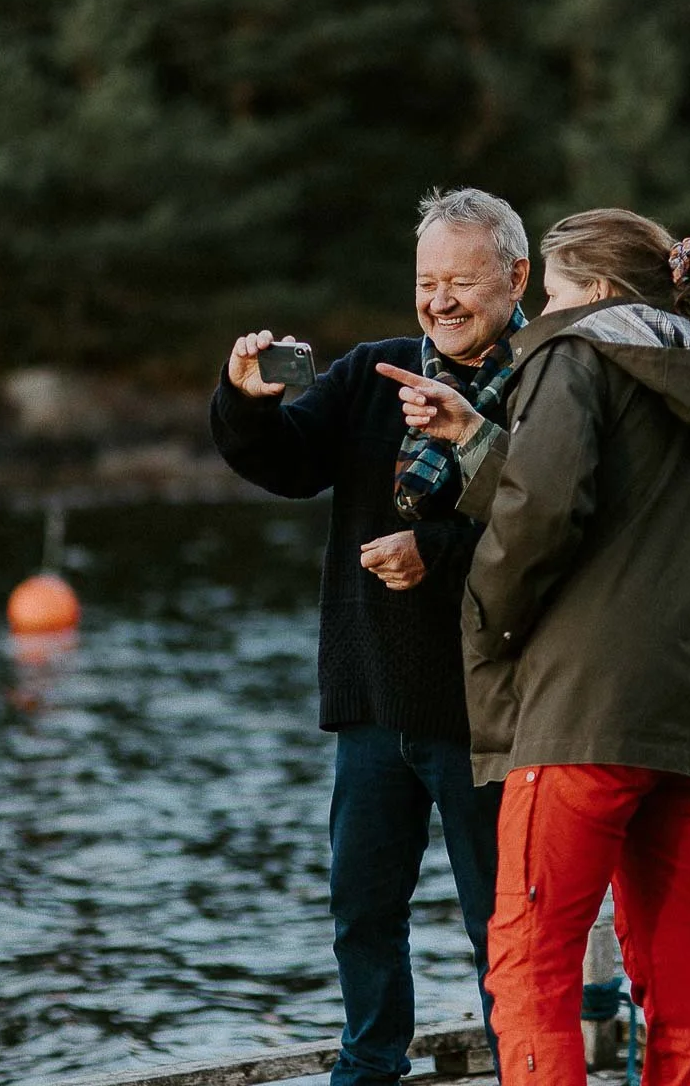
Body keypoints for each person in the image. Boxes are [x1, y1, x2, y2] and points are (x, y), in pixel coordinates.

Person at [378, 209, 690, 1086]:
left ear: (596, 294)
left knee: (529, 966)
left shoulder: (578, 350)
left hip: (582, 714)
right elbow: (615, 506)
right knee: (677, 970)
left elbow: (544, 516)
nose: (548, 317)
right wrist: (482, 445)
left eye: (557, 295)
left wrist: (485, 617)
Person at [210, 188, 532, 1086]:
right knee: (361, 912)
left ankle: (526, 1069)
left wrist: (436, 551)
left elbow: (552, 524)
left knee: (501, 923)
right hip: (373, 700)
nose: (441, 300)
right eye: (428, 281)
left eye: (462, 282)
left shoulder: (549, 381)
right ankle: (369, 1069)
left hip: (487, 708)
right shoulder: (371, 373)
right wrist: (248, 403)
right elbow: (284, 463)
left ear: (517, 278)